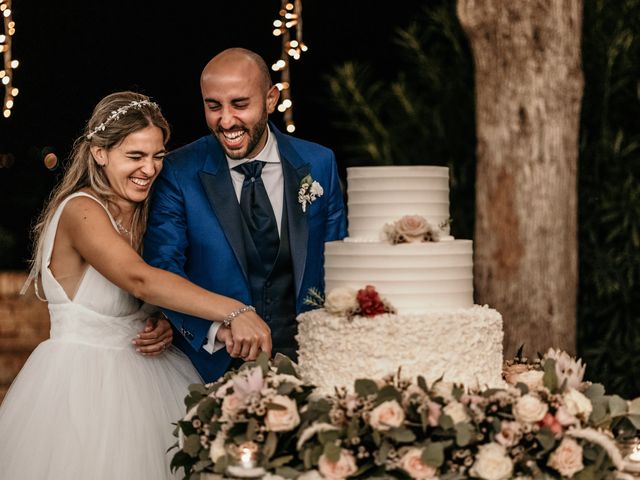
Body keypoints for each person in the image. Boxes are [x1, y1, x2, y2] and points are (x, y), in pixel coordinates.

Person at [0, 91, 272, 479]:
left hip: (151, 380)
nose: (150, 168)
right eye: (135, 156)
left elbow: (159, 289)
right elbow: (140, 279)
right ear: (99, 153)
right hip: (82, 389)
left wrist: (165, 319)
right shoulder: (82, 210)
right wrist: (236, 311)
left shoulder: (149, 214)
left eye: (158, 156)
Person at [144, 48, 347, 382]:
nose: (225, 121)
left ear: (270, 99)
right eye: (213, 106)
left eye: (239, 104)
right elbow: (163, 268)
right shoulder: (178, 171)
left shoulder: (319, 164)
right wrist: (214, 328)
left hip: (309, 363)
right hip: (210, 369)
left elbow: (337, 262)